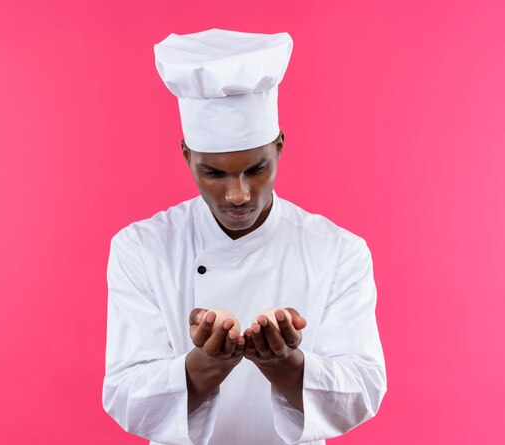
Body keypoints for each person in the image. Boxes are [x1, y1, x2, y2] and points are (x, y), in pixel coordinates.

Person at [102, 28, 387, 445]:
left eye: (256, 169)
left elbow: (364, 388)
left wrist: (287, 365)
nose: (238, 194)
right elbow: (125, 395)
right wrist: (205, 365)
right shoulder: (141, 248)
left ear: (279, 147)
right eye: (213, 173)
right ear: (187, 155)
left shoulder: (339, 251)